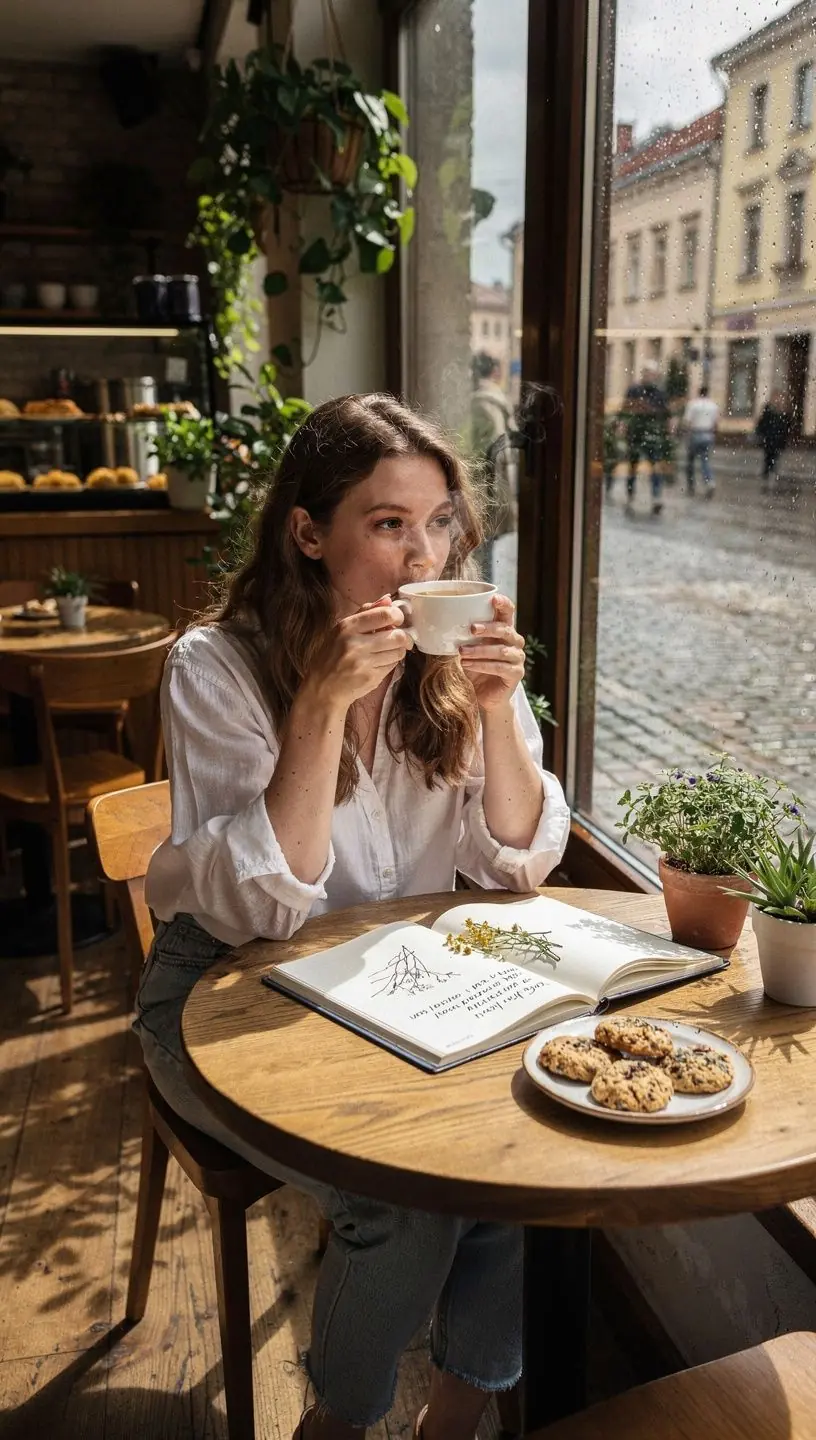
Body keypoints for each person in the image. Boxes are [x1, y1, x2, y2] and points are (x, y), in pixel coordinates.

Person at [137, 393, 570, 1440]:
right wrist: (322, 703)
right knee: (404, 1205)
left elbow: (516, 860)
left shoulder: (444, 669)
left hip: (389, 992)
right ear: (308, 532)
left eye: (440, 524)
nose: (423, 556)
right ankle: (335, 1425)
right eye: (387, 524)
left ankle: (454, 1417)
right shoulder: (216, 666)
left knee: (519, 1154)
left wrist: (499, 710)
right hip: (222, 995)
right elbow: (259, 903)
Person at [470, 353, 517, 580]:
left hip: (482, 490)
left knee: (481, 553)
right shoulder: (497, 400)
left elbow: (490, 450)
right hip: (493, 488)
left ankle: (483, 597)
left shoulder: (481, 403)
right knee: (483, 550)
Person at [622, 359, 669, 515]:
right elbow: (626, 408)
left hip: (652, 437)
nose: (650, 376)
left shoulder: (659, 393)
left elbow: (665, 413)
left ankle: (656, 498)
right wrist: (624, 425)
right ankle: (630, 496)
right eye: (647, 372)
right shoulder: (634, 390)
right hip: (635, 435)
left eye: (652, 373)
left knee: (655, 466)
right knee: (632, 467)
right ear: (643, 373)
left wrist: (666, 429)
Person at [682, 384, 719, 497]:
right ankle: (709, 482)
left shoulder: (693, 404)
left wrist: (686, 435)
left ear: (699, 393)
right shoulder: (713, 406)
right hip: (708, 434)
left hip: (695, 433)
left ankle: (691, 485)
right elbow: (716, 423)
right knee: (705, 460)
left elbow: (687, 421)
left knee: (690, 461)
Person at [755, 390, 792, 494]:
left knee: (774, 457)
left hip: (778, 440)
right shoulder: (768, 410)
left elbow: (787, 426)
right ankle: (767, 474)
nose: (777, 400)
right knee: (768, 457)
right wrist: (760, 434)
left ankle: (771, 474)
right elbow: (762, 423)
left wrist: (785, 438)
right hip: (768, 439)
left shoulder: (784, 412)